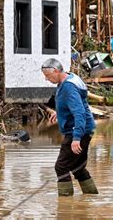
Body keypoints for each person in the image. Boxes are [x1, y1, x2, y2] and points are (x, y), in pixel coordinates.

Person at [41, 58, 98, 196]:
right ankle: (90, 196)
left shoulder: (68, 87)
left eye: (48, 76)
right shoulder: (68, 79)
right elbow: (71, 105)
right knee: (77, 168)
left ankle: (65, 203)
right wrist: (59, 114)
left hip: (78, 131)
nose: (47, 79)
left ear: (56, 71)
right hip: (85, 129)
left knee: (61, 167)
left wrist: (76, 137)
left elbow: (79, 112)